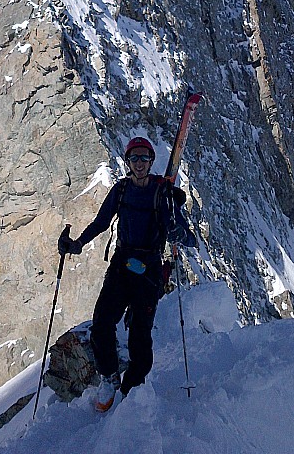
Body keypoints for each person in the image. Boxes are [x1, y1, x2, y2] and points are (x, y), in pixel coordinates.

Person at [58, 135, 195, 412]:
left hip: (149, 270)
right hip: (122, 265)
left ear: (151, 160)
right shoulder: (121, 191)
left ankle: (131, 389)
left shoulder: (162, 193)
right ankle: (110, 377)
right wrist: (77, 245)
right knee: (102, 324)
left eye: (145, 157)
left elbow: (190, 239)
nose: (140, 162)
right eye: (135, 157)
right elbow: (101, 222)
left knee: (140, 339)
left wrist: (179, 229)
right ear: (128, 161)